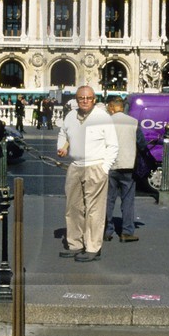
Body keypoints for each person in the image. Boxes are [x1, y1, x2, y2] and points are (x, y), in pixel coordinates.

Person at [56, 85, 118, 262]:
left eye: (88, 98)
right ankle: (75, 244)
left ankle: (92, 247)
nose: (85, 101)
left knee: (94, 210)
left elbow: (113, 145)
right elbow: (63, 134)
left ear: (94, 99)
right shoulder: (70, 116)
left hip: (95, 166)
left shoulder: (103, 118)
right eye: (81, 98)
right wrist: (61, 148)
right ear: (76, 100)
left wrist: (105, 168)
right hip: (75, 167)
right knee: (73, 208)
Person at [102, 94, 140, 243]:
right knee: (128, 201)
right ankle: (127, 232)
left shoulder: (106, 122)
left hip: (110, 166)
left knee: (108, 200)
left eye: (108, 107)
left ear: (112, 107)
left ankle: (107, 231)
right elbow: (141, 143)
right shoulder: (133, 122)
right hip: (128, 166)